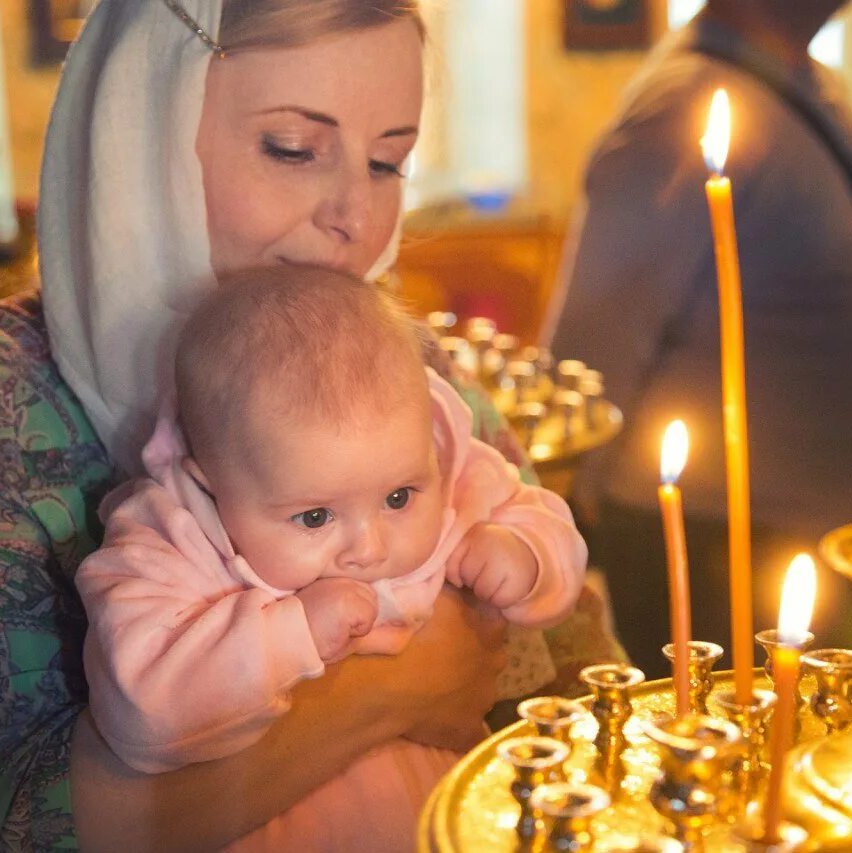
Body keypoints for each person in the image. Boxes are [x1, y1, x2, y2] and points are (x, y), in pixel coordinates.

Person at [0, 2, 622, 849]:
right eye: (292, 148)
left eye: (389, 161)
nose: (356, 214)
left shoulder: (405, 368)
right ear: (143, 129)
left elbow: (580, 680)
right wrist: (393, 689)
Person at [76, 267, 586, 848]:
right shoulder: (169, 547)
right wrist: (295, 635)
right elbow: (143, 710)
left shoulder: (447, 469)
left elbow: (545, 522)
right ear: (211, 486)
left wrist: (526, 555)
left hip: (442, 817)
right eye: (315, 517)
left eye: (398, 498)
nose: (369, 550)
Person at [542, 0, 852, 678]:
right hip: (714, 536)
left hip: (804, 526)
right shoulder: (682, 110)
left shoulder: (797, 81)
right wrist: (570, 511)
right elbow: (595, 338)